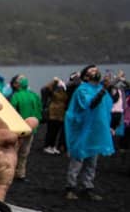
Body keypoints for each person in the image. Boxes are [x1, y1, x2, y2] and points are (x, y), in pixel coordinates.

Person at [64, 64, 114, 200]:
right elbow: (90, 104)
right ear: (85, 76)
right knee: (78, 158)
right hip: (82, 129)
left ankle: (87, 187)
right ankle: (70, 187)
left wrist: (108, 126)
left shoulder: (99, 88)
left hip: (95, 130)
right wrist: (104, 89)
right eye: (92, 70)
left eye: (97, 70)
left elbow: (106, 108)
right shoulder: (82, 89)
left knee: (92, 161)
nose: (96, 72)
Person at [40, 77, 67, 154]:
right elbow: (44, 89)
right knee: (51, 131)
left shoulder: (65, 92)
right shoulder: (52, 91)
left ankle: (53, 146)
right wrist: (54, 82)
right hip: (52, 113)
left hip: (61, 114)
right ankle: (47, 146)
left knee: (57, 131)